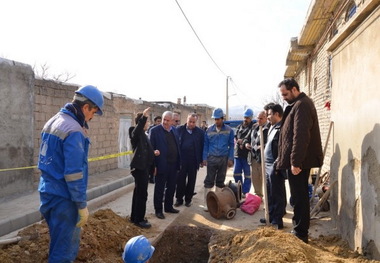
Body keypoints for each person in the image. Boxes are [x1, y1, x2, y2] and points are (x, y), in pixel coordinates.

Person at [38, 85, 104, 262]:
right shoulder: (74, 130)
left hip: (47, 192)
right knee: (64, 251)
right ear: (85, 108)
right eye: (92, 113)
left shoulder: (53, 121)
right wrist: (81, 205)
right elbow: (74, 174)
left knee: (57, 243)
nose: (91, 118)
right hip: (65, 199)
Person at [276, 78, 323, 243]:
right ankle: (298, 230)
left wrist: (296, 162)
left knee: (300, 196)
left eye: (285, 94)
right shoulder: (297, 104)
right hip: (297, 161)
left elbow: (301, 135)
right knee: (297, 196)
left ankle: (301, 233)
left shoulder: (302, 105)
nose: (283, 97)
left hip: (299, 162)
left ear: (295, 89)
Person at [150, 111, 181, 219]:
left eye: (168, 120)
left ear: (172, 121)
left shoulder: (175, 131)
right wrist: (153, 166)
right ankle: (158, 210)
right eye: (164, 120)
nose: (165, 122)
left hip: (173, 165)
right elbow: (151, 150)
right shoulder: (154, 131)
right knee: (159, 188)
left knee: (171, 187)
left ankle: (168, 207)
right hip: (161, 165)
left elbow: (178, 147)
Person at [128, 108, 156, 229]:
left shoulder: (144, 135)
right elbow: (136, 132)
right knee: (141, 194)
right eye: (147, 121)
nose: (148, 123)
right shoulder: (135, 132)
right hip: (140, 168)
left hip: (145, 168)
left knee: (138, 193)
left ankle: (135, 217)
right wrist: (143, 116)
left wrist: (153, 153)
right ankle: (139, 220)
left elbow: (145, 150)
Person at [202, 108, 234, 210]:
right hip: (211, 158)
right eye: (215, 119)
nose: (216, 121)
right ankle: (207, 203)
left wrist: (230, 158)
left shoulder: (229, 130)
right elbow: (206, 145)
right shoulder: (209, 130)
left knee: (220, 181)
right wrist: (204, 158)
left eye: (218, 119)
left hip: (223, 159)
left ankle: (218, 202)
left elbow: (232, 145)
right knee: (209, 181)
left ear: (222, 118)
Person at [260, 104, 286, 229]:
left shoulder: (282, 128)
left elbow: (283, 149)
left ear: (276, 114)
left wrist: (276, 164)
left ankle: (277, 220)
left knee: (277, 194)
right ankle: (269, 216)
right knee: (269, 192)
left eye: (269, 114)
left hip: (275, 166)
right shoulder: (271, 127)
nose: (268, 117)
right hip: (267, 164)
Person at [175, 113, 204, 207]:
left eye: (193, 122)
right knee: (180, 180)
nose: (191, 124)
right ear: (186, 120)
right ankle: (179, 199)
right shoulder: (179, 130)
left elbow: (202, 146)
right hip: (181, 160)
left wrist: (202, 159)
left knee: (191, 181)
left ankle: (188, 199)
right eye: (190, 121)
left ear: (196, 122)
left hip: (193, 160)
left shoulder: (200, 132)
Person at [243, 111, 269, 198]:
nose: (259, 120)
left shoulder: (269, 128)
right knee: (255, 178)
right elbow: (247, 137)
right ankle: (258, 195)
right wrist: (246, 143)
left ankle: (268, 198)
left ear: (266, 118)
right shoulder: (254, 127)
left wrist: (264, 146)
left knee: (265, 179)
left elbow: (273, 142)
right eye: (258, 118)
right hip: (254, 157)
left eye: (261, 118)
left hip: (265, 158)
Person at [233, 109, 255, 197]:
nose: (246, 119)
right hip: (238, 154)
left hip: (247, 155)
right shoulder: (239, 127)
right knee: (236, 173)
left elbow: (249, 137)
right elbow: (235, 136)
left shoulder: (253, 127)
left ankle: (245, 192)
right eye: (245, 117)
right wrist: (238, 141)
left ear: (251, 118)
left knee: (247, 175)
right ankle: (239, 189)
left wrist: (244, 142)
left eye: (248, 118)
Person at [147, 116, 162, 184]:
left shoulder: (162, 129)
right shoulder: (152, 129)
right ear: (155, 122)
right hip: (153, 151)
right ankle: (151, 177)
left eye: (160, 121)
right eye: (158, 121)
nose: (159, 123)